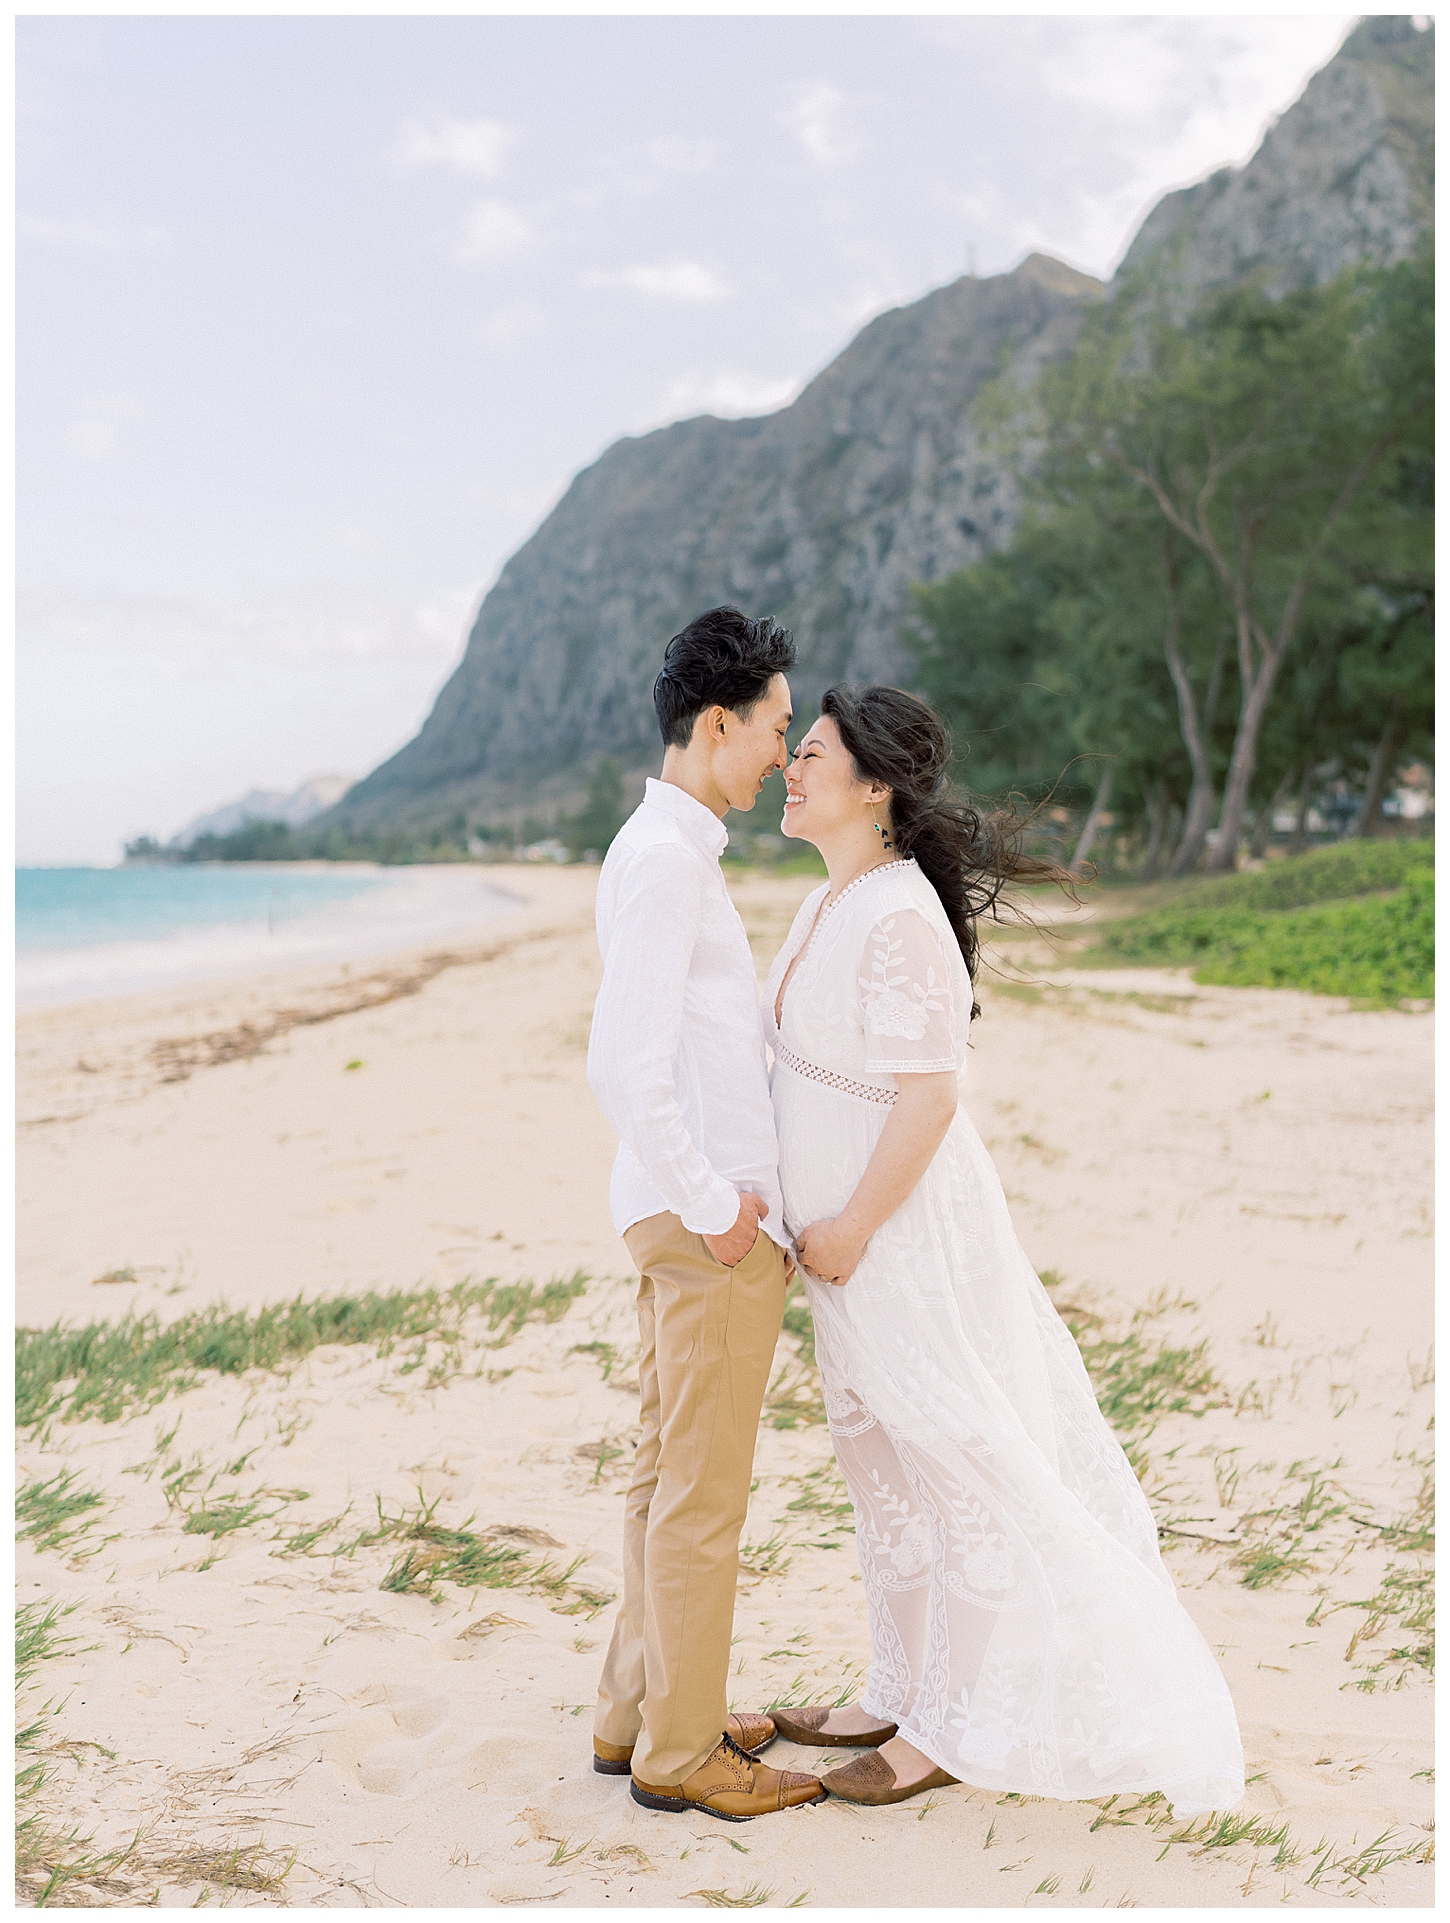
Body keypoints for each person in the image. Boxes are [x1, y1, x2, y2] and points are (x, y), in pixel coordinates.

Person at [760, 684, 1245, 1817]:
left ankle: (949, 1729)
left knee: (957, 1463)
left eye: (813, 753)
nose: (791, 767)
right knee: (877, 1463)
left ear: (872, 785)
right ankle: (897, 1684)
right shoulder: (828, 902)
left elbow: (928, 1100)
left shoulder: (897, 915)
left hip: (898, 1234)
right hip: (840, 1245)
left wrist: (848, 1227)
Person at [586, 607, 826, 1823]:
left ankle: (638, 1713)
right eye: (778, 729)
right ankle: (682, 1750)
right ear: (716, 723)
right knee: (701, 1496)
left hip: (680, 1217)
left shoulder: (667, 849)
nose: (787, 755)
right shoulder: (668, 858)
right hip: (701, 1229)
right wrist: (719, 1204)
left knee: (659, 1477)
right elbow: (621, 1065)